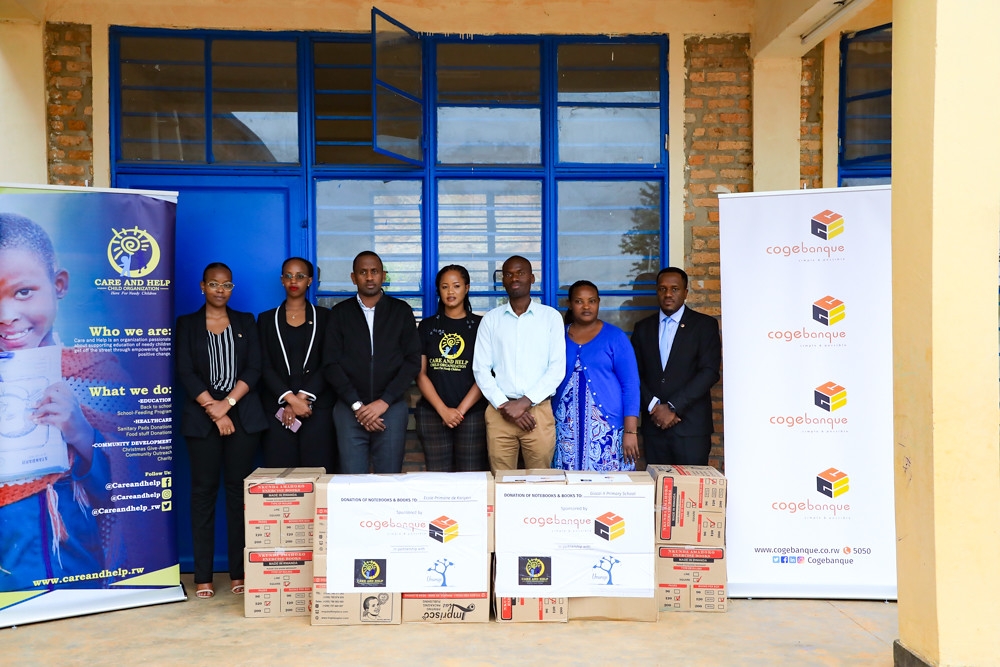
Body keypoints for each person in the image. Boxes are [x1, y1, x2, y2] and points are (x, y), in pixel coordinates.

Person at [0, 212, 117, 592]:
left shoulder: (95, 371)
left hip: (80, 574)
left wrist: (80, 431)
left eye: (23, 292)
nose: (6, 317)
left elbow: (136, 489)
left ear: (59, 284)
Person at [176, 262, 268, 598]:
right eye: (214, 284)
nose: (220, 290)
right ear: (202, 286)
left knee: (238, 495)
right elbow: (185, 371)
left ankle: (238, 573)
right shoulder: (187, 324)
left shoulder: (245, 321)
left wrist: (226, 405)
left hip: (242, 417)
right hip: (202, 421)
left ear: (232, 288)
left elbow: (255, 368)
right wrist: (214, 411)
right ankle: (202, 575)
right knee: (203, 494)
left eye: (227, 284)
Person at [323, 251, 420, 474]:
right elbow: (330, 363)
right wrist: (357, 406)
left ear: (383, 275)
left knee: (389, 479)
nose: (369, 277)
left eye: (374, 271)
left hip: (390, 407)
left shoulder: (401, 311)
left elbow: (412, 361)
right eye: (363, 272)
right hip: (349, 409)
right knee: (351, 480)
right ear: (353, 277)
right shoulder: (339, 313)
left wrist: (384, 402)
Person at [472, 255, 565, 473]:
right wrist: (504, 405)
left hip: (537, 412)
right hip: (500, 413)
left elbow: (556, 369)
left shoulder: (550, 318)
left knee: (540, 480)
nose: (514, 278)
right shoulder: (491, 320)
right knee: (501, 479)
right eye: (508, 274)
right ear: (503, 280)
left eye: (520, 273)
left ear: (532, 278)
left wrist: (524, 403)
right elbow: (481, 369)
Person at [631, 267, 721, 466]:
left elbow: (709, 372)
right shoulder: (643, 328)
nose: (668, 294)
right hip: (654, 426)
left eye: (675, 289)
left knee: (691, 484)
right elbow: (634, 373)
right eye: (662, 289)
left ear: (686, 292)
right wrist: (653, 406)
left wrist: (673, 407)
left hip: (691, 428)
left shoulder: (704, 326)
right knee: (658, 483)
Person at [553, 280, 640, 472]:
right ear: (570, 304)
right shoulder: (558, 336)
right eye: (579, 301)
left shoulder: (615, 337)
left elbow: (631, 386)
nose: (586, 306)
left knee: (607, 485)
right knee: (567, 482)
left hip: (607, 427)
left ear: (598, 302)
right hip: (565, 428)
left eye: (591, 301)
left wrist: (630, 431)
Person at [258, 257, 336, 471]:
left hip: (317, 410)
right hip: (277, 410)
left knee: (317, 474)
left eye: (300, 276)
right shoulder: (266, 320)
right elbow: (263, 365)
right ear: (282, 280)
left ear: (310, 281)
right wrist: (290, 400)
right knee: (281, 476)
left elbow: (329, 362)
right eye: (289, 276)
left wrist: (303, 398)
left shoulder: (326, 317)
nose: (294, 280)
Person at [415, 265, 487, 472]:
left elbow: (486, 373)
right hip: (433, 412)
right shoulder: (427, 326)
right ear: (438, 290)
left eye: (456, 286)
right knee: (438, 479)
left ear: (467, 288)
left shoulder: (481, 326)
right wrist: (443, 410)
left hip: (472, 412)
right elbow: (420, 374)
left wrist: (460, 411)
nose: (450, 291)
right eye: (445, 286)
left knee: (471, 476)